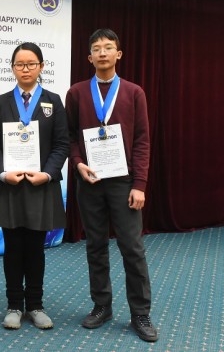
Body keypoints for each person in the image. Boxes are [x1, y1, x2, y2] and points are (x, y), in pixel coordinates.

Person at [65, 28, 158, 342]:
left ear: (119, 54)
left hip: (124, 183)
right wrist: (78, 163)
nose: (102, 52)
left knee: (132, 248)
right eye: (96, 48)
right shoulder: (77, 93)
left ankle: (140, 313)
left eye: (108, 47)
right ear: (89, 57)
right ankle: (102, 306)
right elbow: (70, 136)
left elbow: (143, 141)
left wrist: (140, 184)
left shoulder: (134, 92)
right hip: (89, 181)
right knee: (95, 246)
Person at [0, 42, 69, 330]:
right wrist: (2, 173)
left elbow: (62, 144)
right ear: (12, 68)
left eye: (31, 64)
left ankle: (35, 305)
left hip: (40, 186)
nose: (25, 69)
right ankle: (13, 306)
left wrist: (48, 174)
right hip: (9, 186)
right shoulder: (1, 102)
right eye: (19, 64)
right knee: (12, 248)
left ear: (41, 66)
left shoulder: (53, 101)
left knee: (35, 248)